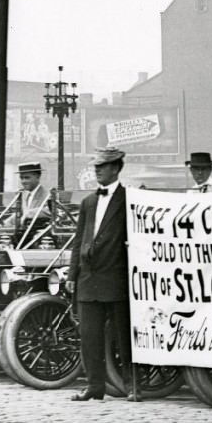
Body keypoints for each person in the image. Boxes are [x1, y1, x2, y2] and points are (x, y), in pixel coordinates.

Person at [66, 147, 134, 402]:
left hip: (116, 277)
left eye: (102, 166)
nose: (97, 170)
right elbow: (78, 240)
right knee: (89, 336)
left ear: (116, 168)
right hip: (89, 278)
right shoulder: (88, 202)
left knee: (123, 336)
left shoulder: (128, 199)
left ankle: (131, 385)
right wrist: (73, 274)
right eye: (96, 166)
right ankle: (95, 386)